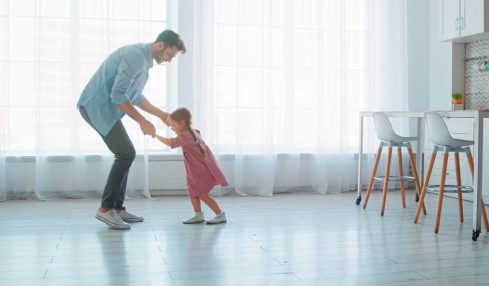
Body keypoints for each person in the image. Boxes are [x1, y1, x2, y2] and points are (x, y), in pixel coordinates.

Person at [77, 30, 186, 230]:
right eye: (170, 55)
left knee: (126, 153)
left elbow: (134, 96)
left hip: (105, 108)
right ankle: (105, 209)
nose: (169, 60)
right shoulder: (135, 56)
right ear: (160, 45)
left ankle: (117, 209)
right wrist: (142, 121)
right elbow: (118, 95)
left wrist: (160, 115)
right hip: (95, 106)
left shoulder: (144, 63)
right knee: (126, 153)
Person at [155, 108, 228, 224]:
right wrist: (169, 120)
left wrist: (155, 135)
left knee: (203, 195)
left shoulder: (186, 136)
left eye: (173, 125)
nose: (172, 128)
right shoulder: (191, 132)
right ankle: (198, 215)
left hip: (200, 171)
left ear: (182, 122)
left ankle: (220, 215)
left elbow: (171, 143)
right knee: (193, 192)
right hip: (195, 170)